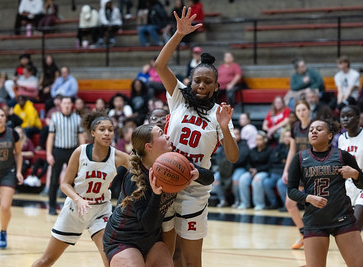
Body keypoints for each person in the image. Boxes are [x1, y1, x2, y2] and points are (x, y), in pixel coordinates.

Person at [154, 7, 239, 266]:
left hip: (195, 190)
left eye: (207, 82)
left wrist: (224, 128)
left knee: (192, 260)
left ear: (216, 86)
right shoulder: (178, 98)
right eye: (197, 80)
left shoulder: (220, 114)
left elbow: (233, 157)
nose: (201, 86)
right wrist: (179, 34)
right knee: (170, 256)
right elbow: (160, 65)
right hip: (166, 181)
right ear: (190, 81)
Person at [32, 112, 130, 267]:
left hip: (101, 211)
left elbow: (142, 171)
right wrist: (78, 199)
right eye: (102, 129)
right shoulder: (80, 152)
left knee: (110, 259)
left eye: (110, 130)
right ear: (92, 133)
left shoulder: (119, 157)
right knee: (47, 260)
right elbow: (65, 184)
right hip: (75, 209)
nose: (107, 133)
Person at [103, 124, 194, 266]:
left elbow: (208, 177)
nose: (168, 136)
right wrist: (156, 195)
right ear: (148, 146)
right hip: (123, 238)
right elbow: (148, 224)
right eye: (161, 133)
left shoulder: (174, 164)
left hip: (151, 239)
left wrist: (196, 174)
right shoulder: (134, 178)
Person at [288, 119, 363, 267]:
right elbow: (291, 191)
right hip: (315, 221)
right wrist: (307, 198)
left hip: (342, 218)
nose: (313, 132)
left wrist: (355, 174)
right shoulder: (300, 158)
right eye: (311, 129)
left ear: (330, 135)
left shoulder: (343, 156)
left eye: (319, 129)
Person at [0, 108, 23, 248]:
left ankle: (3, 232)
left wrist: (19, 172)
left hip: (8, 173)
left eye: (2, 115)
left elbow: (18, 153)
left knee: (4, 206)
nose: (0, 118)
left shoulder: (13, 133)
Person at [46, 96, 85, 215]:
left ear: (72, 105)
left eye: (69, 103)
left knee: (74, 180)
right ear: (61, 105)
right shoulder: (55, 117)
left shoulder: (77, 118)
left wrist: (82, 153)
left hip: (72, 151)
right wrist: (48, 154)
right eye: (65, 103)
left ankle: (72, 206)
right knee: (54, 180)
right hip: (58, 151)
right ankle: (52, 206)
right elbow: (50, 137)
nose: (67, 105)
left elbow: (81, 137)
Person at [282, 100, 312, 249]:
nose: (301, 113)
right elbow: (292, 150)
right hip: (299, 170)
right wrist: (286, 170)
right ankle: (303, 233)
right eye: (299, 110)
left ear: (309, 110)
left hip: (313, 169)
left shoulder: (315, 126)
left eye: (304, 110)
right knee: (289, 203)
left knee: (312, 207)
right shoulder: (295, 127)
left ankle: (315, 236)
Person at [213, 127, 249, 208]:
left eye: (237, 134)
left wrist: (229, 162)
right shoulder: (227, 143)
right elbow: (219, 158)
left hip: (238, 167)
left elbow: (241, 159)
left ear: (240, 135)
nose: (235, 136)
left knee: (236, 179)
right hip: (225, 168)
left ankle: (237, 200)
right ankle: (223, 200)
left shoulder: (243, 145)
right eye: (234, 134)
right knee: (215, 178)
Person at [238, 131, 273, 210]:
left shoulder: (270, 150)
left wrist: (257, 170)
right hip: (252, 171)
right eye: (257, 139)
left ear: (265, 140)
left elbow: (270, 165)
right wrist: (250, 169)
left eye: (260, 139)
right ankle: (245, 203)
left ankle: (260, 204)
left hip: (264, 171)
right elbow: (247, 163)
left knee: (256, 180)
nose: (258, 141)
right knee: (242, 179)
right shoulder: (252, 150)